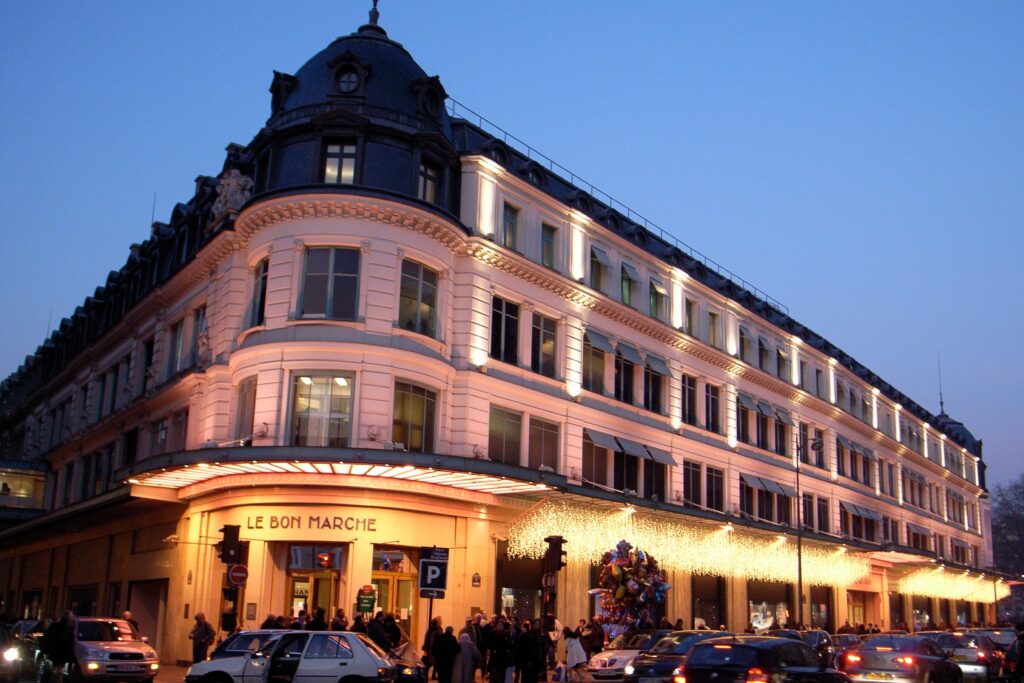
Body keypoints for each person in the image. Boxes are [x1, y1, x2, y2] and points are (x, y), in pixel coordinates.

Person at [41, 610, 76, 680]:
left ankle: (55, 677)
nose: (73, 617)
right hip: (61, 653)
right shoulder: (69, 628)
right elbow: (70, 642)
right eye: (71, 616)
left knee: (57, 670)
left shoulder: (56, 626)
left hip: (56, 652)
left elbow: (48, 638)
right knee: (58, 670)